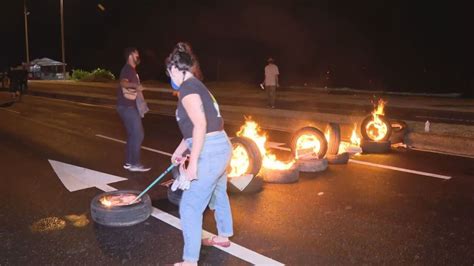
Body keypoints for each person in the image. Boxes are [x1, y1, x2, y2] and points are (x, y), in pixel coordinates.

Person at [166, 42, 233, 266]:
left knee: (190, 206)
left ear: (175, 69)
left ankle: (190, 261)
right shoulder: (198, 85)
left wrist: (192, 163)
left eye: (169, 71)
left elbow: (200, 125)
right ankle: (223, 236)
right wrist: (179, 151)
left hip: (210, 150)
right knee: (218, 192)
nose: (169, 76)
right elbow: (195, 127)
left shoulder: (186, 89)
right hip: (220, 146)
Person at [116, 47, 151, 172]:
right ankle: (135, 163)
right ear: (131, 55)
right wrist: (136, 85)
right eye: (137, 55)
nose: (138, 57)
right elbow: (123, 83)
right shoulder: (128, 69)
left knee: (132, 135)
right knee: (138, 134)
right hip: (127, 107)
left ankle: (129, 162)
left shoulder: (130, 70)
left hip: (126, 106)